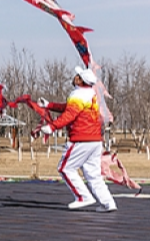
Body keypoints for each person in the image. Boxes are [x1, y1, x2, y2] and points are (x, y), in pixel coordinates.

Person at [32, 66, 116, 212]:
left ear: (80, 80)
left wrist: (52, 127)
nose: (74, 77)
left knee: (65, 168)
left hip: (80, 139)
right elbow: (69, 108)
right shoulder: (90, 94)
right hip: (95, 140)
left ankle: (83, 197)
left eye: (77, 75)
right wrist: (49, 105)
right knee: (93, 174)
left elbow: (69, 115)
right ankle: (108, 203)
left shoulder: (77, 95)